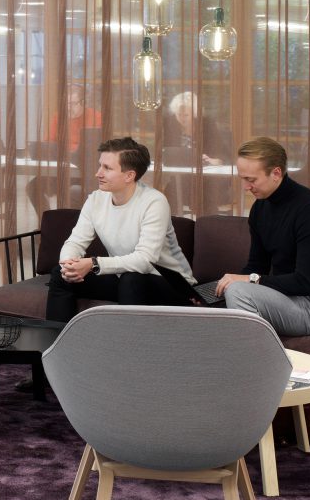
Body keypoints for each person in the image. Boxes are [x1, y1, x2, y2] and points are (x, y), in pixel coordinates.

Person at [45, 137, 195, 322]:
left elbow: (145, 261)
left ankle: (127, 348)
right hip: (124, 278)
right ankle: (58, 345)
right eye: (100, 165)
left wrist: (93, 263)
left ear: (129, 175)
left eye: (107, 168)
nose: (98, 173)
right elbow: (76, 241)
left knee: (131, 278)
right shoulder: (96, 200)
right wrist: (68, 265)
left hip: (171, 284)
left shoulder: (154, 202)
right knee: (60, 276)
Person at [214, 136, 310, 337]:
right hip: (283, 298)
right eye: (243, 179)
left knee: (238, 292)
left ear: (276, 173)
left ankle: (253, 360)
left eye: (251, 179)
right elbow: (257, 265)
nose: (246, 187)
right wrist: (217, 290)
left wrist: (248, 280)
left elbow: (304, 283)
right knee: (224, 293)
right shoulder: (260, 208)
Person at [28, 82, 102, 215]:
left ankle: (73, 228)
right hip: (61, 171)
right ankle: (47, 223)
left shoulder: (96, 117)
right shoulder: (59, 117)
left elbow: (96, 148)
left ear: (83, 102)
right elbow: (49, 143)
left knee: (73, 191)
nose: (68, 108)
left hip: (82, 174)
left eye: (72, 104)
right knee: (33, 187)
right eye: (66, 103)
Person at [159, 90, 231, 167]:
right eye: (179, 114)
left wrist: (213, 160)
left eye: (186, 115)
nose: (182, 118)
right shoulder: (170, 126)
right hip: (176, 173)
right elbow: (164, 152)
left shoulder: (207, 126)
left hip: (205, 175)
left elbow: (224, 156)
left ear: (194, 113)